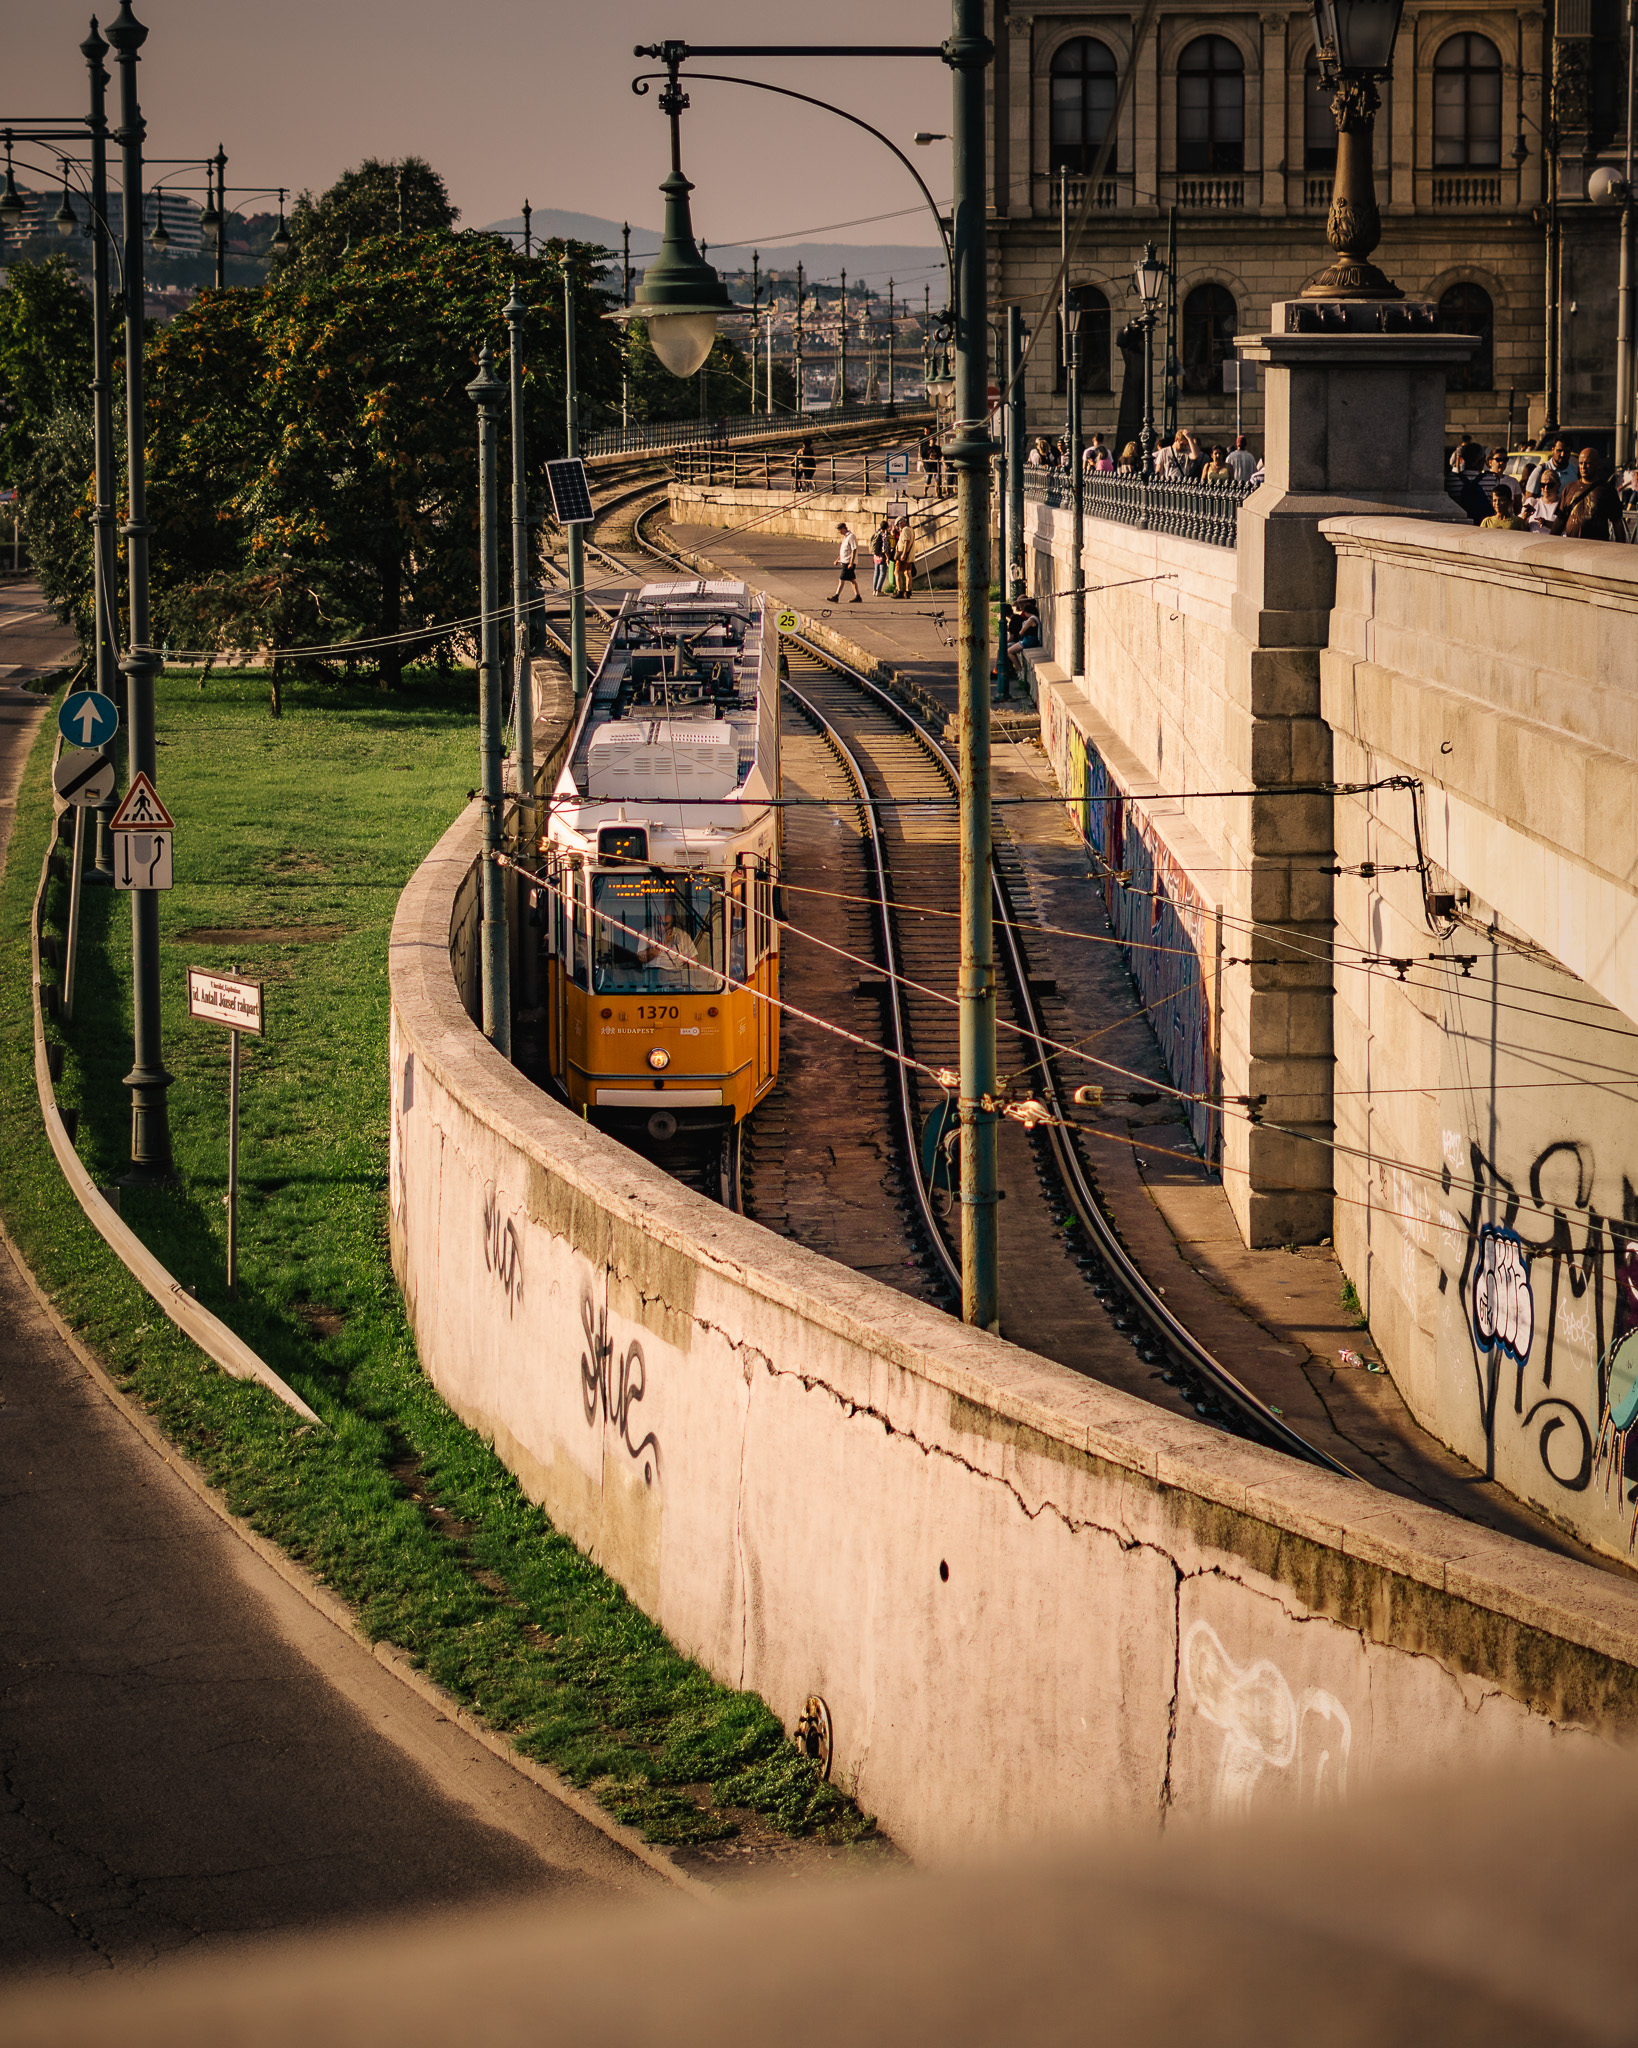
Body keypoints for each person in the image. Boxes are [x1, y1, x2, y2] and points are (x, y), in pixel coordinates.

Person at [1554, 447, 1630, 540]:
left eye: (1587, 463)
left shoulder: (1607, 490)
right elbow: (1560, 520)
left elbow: (1617, 522)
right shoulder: (1569, 488)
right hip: (1571, 547)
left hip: (1596, 548)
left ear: (1597, 465)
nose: (1583, 467)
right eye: (1581, 463)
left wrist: (1621, 548)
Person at [830, 522, 862, 603]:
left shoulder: (851, 537)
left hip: (848, 562)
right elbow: (844, 550)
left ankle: (836, 596)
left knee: (842, 579)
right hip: (844, 561)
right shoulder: (845, 537)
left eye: (840, 530)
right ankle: (858, 596)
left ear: (844, 528)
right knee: (852, 580)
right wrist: (838, 559)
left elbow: (854, 549)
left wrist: (851, 562)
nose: (839, 532)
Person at [894, 516, 917, 597]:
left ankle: (899, 591)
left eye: (898, 524)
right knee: (907, 573)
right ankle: (908, 591)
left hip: (903, 555)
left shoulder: (905, 530)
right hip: (909, 555)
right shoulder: (910, 529)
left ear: (901, 522)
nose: (898, 526)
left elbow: (906, 542)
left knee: (897, 572)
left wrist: (903, 554)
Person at [870, 518, 891, 596]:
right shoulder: (884, 535)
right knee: (882, 573)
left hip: (876, 556)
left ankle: (874, 590)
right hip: (882, 556)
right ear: (887, 527)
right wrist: (887, 557)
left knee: (876, 573)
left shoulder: (877, 533)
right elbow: (885, 548)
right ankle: (878, 590)